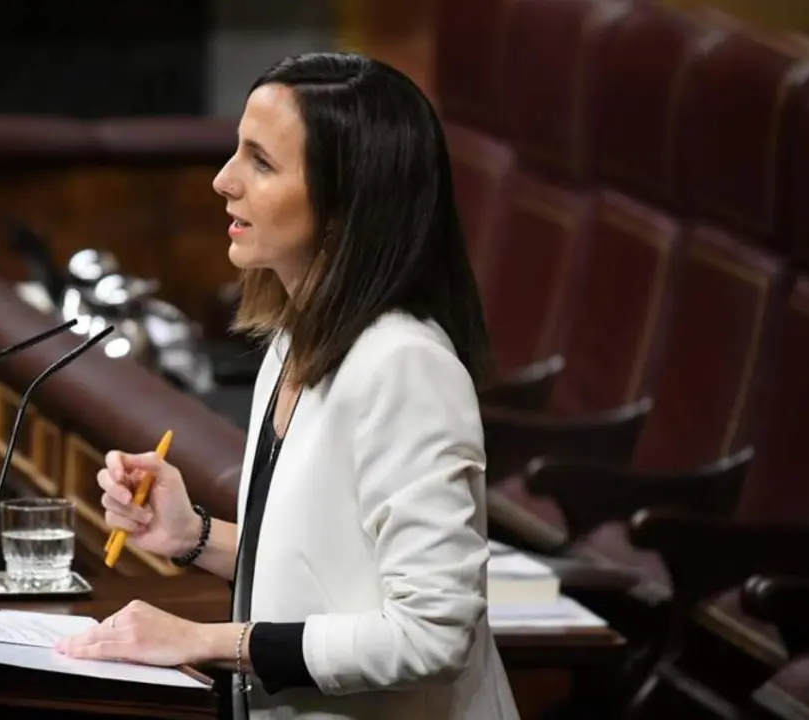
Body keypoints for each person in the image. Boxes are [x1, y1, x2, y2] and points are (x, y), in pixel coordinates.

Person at [55, 51, 520, 720]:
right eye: (234, 153)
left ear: (346, 202)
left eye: (261, 163)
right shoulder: (290, 340)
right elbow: (329, 570)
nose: (222, 181)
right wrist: (192, 535)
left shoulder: (405, 366)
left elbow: (432, 635)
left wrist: (205, 641)